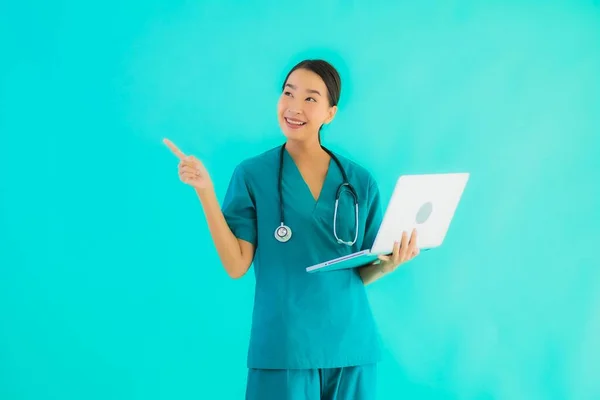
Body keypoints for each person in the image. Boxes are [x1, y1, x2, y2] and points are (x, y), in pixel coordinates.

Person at [163, 59, 420, 400]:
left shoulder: (359, 181)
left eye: (311, 98)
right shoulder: (252, 174)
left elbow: (357, 271)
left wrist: (390, 263)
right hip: (285, 347)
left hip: (351, 346)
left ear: (330, 112)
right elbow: (237, 264)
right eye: (288, 93)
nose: (294, 107)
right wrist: (206, 191)